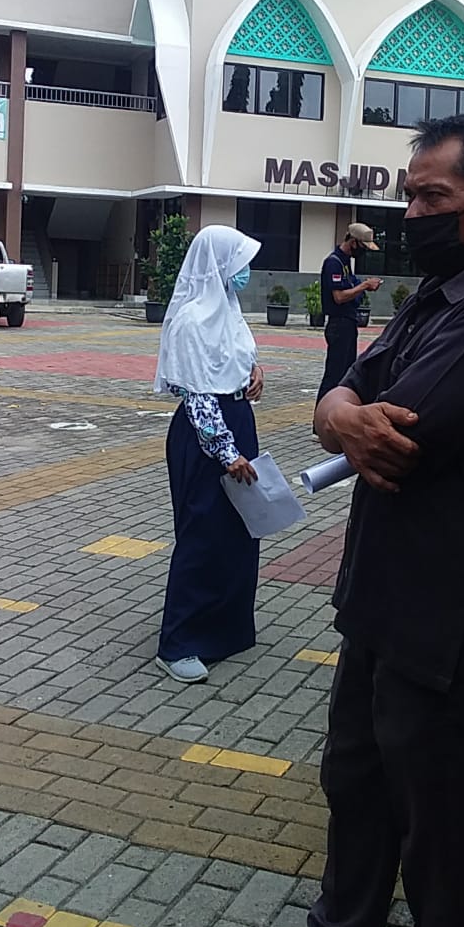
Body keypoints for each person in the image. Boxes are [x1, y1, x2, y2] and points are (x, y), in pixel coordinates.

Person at [309, 116, 464, 927]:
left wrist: (345, 413)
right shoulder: (432, 300)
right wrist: (339, 412)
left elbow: (399, 438)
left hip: (448, 626)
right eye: (409, 195)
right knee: (355, 791)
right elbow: (344, 400)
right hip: (379, 605)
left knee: (440, 842)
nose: (412, 213)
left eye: (433, 197)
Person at [153, 224, 264, 685]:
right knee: (203, 535)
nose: (245, 272)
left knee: (239, 531)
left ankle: (224, 629)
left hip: (237, 421)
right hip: (207, 437)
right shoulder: (192, 320)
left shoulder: (228, 308)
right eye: (239, 262)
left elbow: (237, 359)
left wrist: (255, 373)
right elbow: (197, 393)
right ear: (218, 264)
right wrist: (225, 450)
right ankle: (178, 643)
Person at [315, 223, 382, 407]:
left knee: (345, 373)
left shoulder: (345, 262)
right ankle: (320, 418)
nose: (363, 252)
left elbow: (350, 289)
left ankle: (335, 413)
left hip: (348, 323)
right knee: (334, 375)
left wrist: (362, 287)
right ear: (353, 242)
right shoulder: (334, 262)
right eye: (362, 247)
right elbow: (339, 297)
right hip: (339, 324)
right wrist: (364, 286)